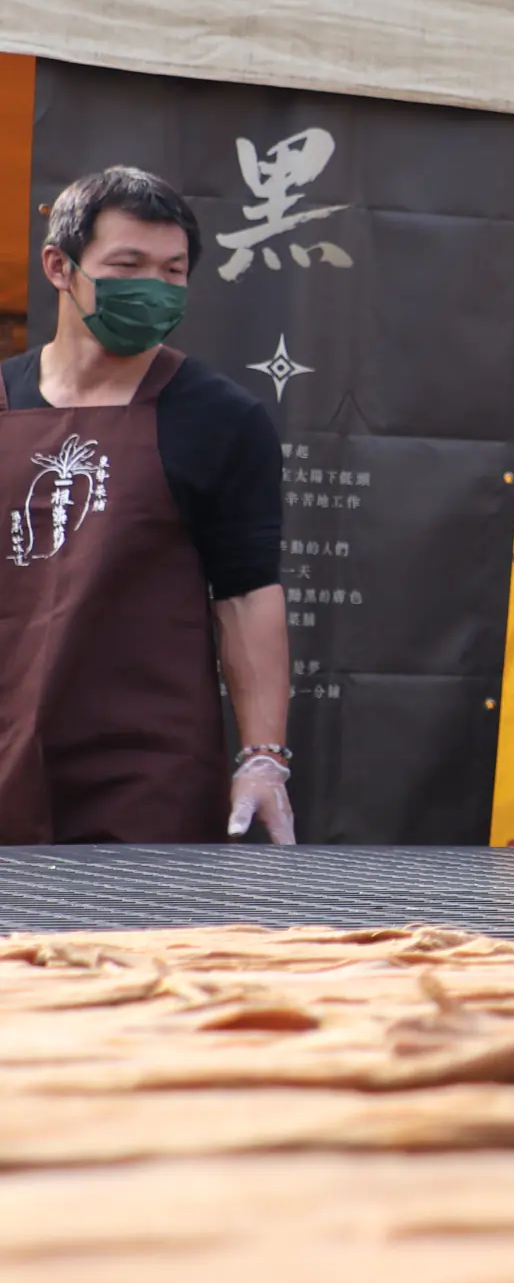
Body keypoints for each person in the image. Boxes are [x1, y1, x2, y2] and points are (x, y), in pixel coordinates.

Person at [0, 167, 290, 844]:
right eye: (127, 265)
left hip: (144, 769)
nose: (152, 289)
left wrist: (264, 758)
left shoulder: (221, 418)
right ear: (59, 266)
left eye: (172, 271)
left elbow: (247, 594)